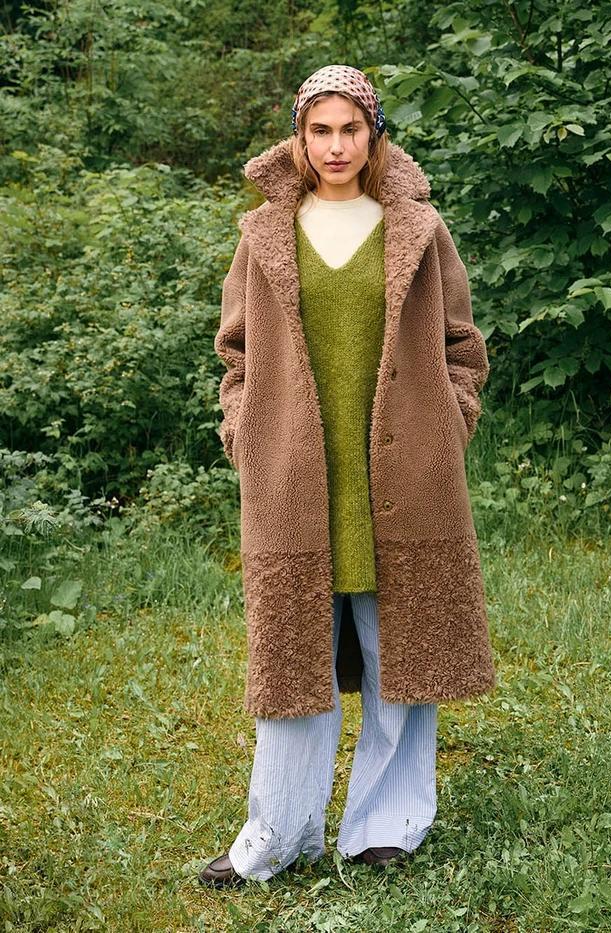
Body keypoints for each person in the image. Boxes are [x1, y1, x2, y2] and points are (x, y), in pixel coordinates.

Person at [200, 64, 495, 889]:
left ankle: (383, 829)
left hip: (406, 477)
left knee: (404, 654)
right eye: (320, 130)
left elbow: (462, 345)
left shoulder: (418, 229)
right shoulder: (265, 233)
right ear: (300, 137)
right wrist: (244, 430)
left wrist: (452, 420)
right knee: (292, 666)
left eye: (351, 129)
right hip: (294, 480)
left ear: (374, 134)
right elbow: (235, 353)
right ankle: (275, 836)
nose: (336, 146)